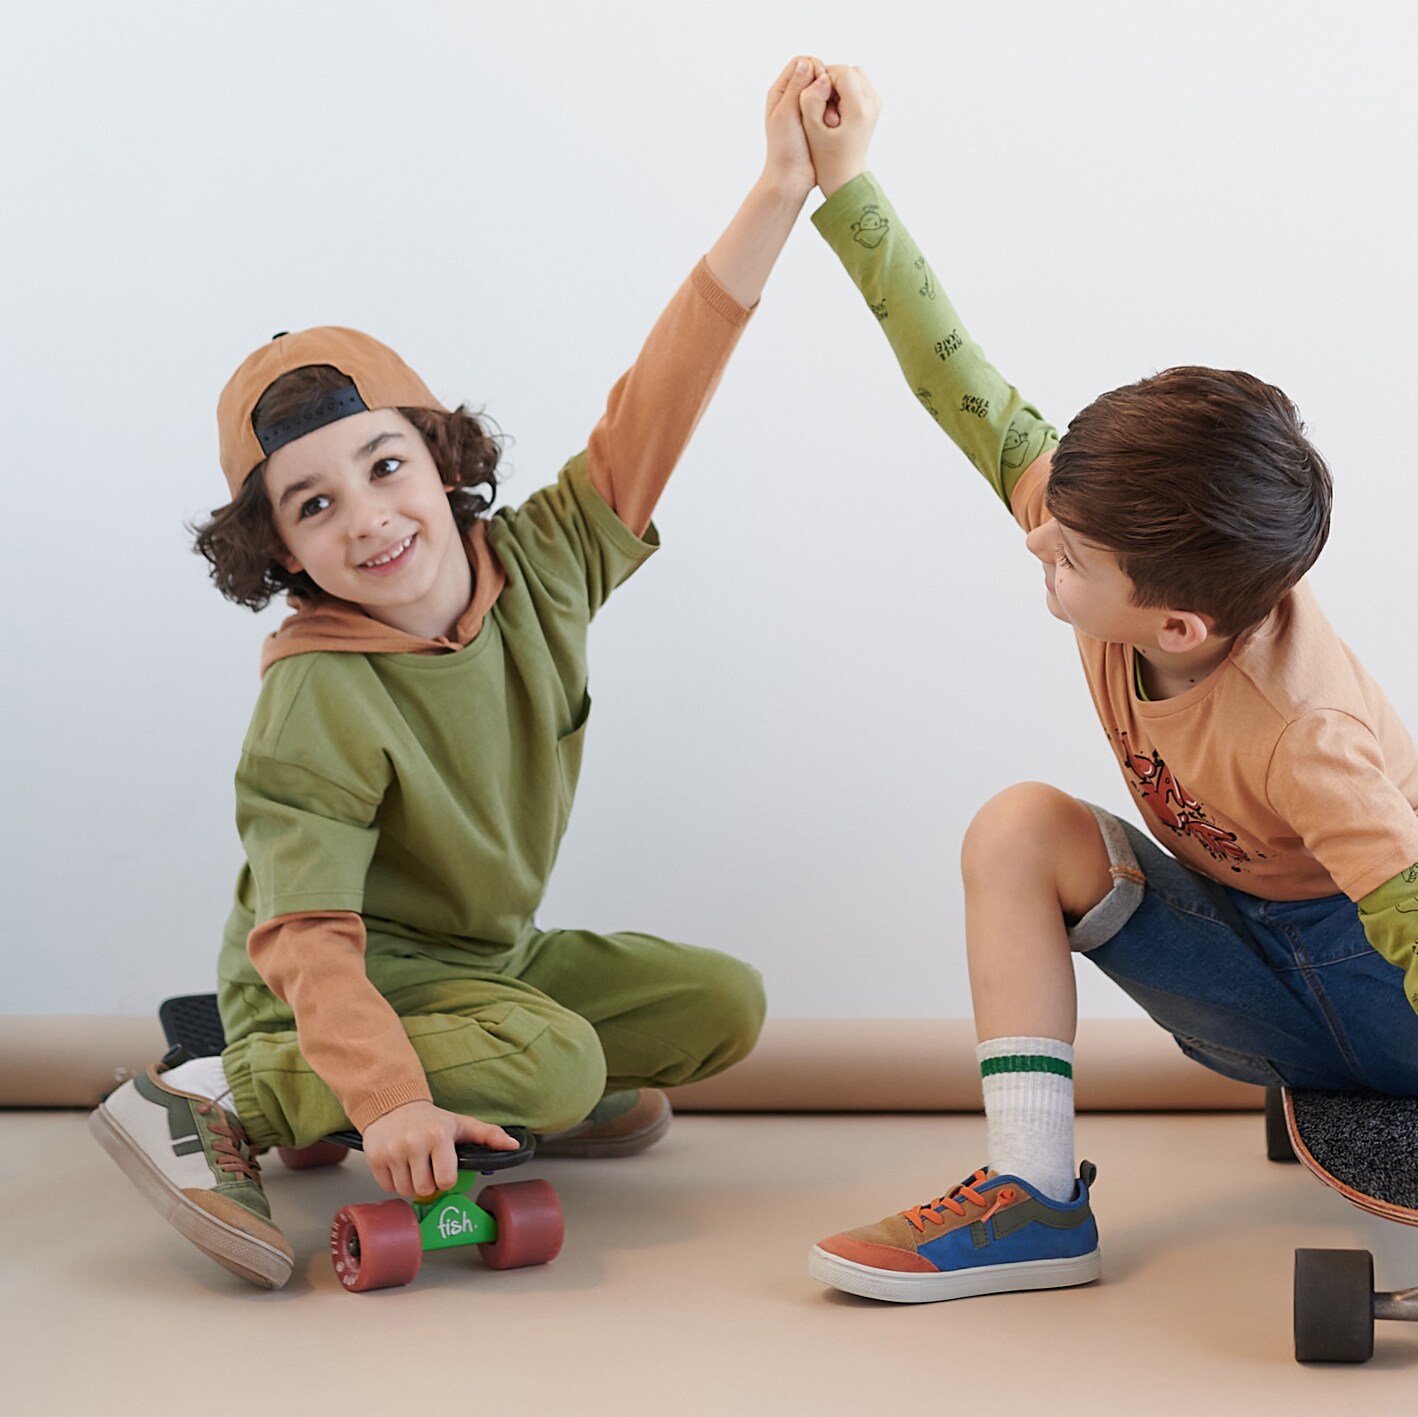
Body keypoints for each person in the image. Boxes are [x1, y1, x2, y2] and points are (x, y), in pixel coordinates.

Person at [88, 56, 832, 1290]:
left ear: (440, 459)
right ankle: (222, 1082)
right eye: (313, 504)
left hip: (487, 965)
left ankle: (504, 1072)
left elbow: (661, 396)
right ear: (281, 550)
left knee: (723, 1006)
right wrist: (385, 1098)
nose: (368, 519)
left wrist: (779, 188)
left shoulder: (545, 561)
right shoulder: (316, 692)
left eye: (384, 466)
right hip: (327, 984)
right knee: (561, 1062)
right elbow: (306, 933)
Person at [797, 65, 1418, 1304]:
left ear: (1177, 622)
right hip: (1251, 964)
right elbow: (957, 380)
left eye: (1065, 556)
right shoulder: (1118, 541)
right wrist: (846, 181)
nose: (1035, 538)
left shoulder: (1303, 731)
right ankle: (1031, 1195)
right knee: (1019, 826)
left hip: (1375, 988)